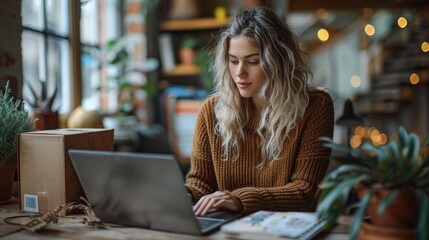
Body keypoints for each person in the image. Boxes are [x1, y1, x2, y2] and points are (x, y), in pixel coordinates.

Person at [185, 7, 334, 216]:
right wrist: (185, 194)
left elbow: (305, 191)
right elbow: (201, 183)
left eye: (252, 61)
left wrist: (240, 200)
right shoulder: (212, 111)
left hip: (286, 229)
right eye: (233, 61)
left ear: (279, 61)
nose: (239, 72)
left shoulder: (316, 107)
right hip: (226, 229)